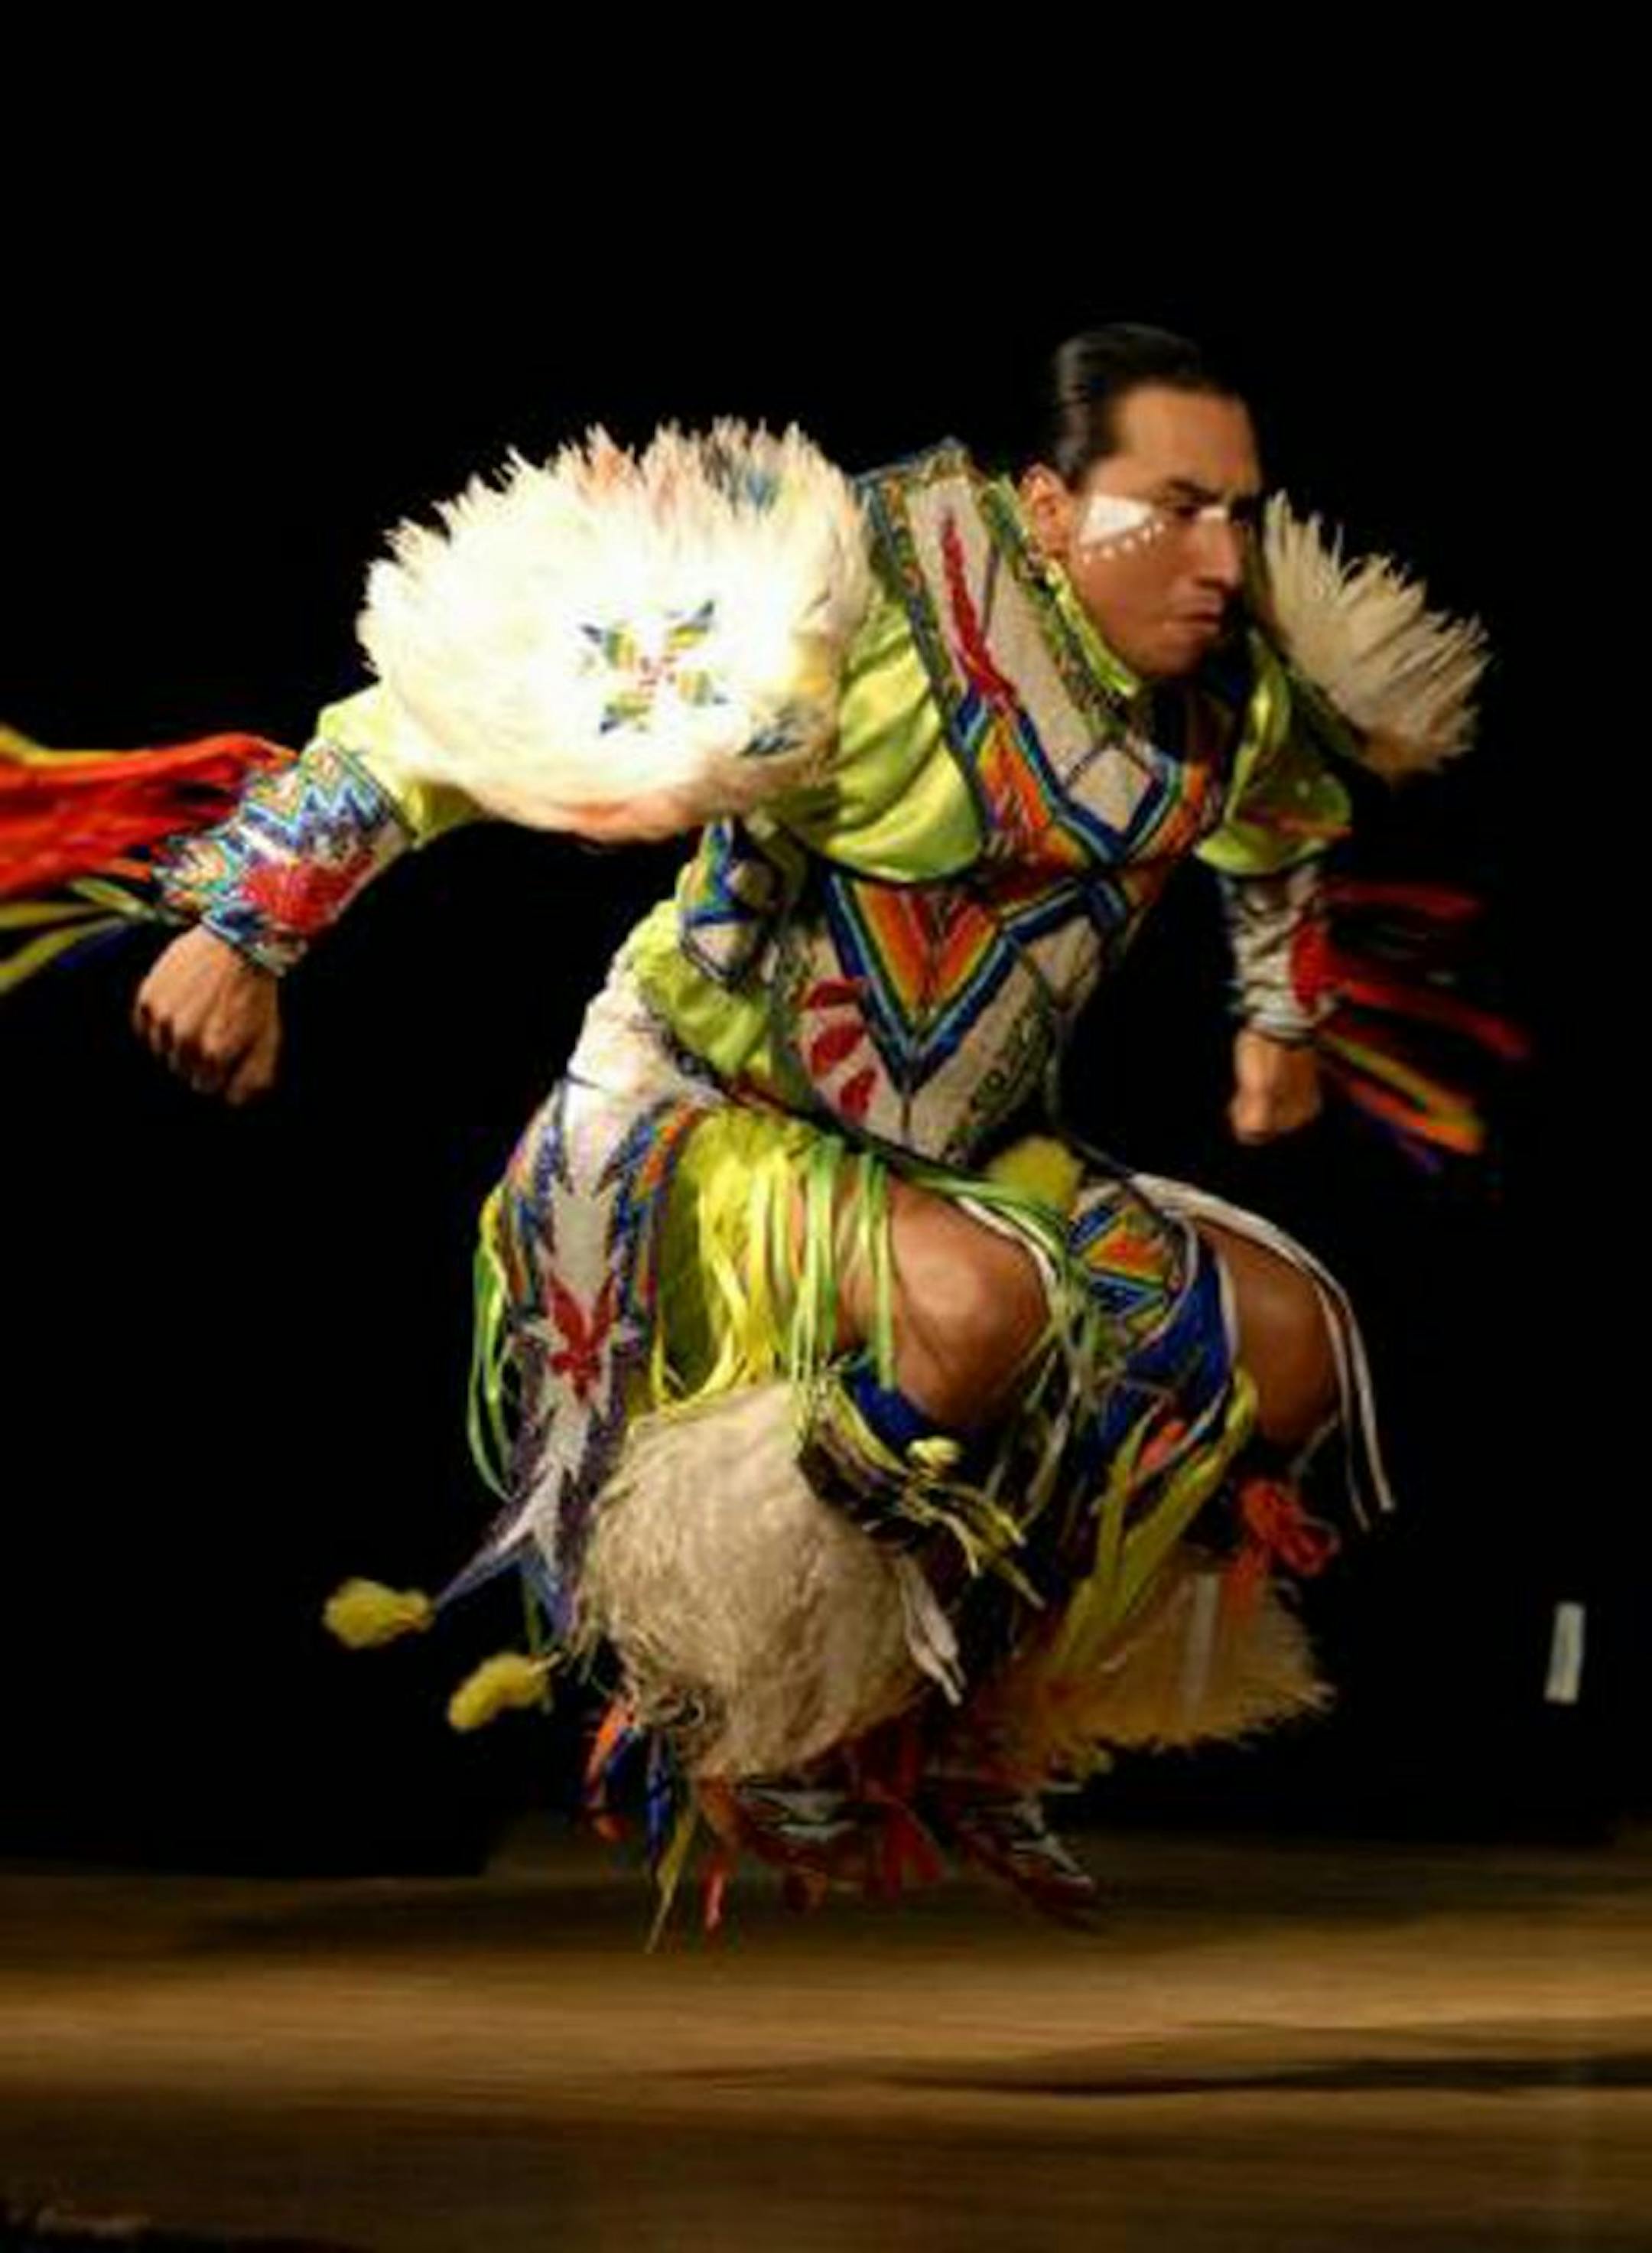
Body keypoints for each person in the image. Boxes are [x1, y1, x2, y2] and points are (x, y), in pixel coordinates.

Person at [6, 326, 1486, 1925]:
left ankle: (965, 1713)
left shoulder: (1232, 701)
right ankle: (758, 1685)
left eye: (1244, 514)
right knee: (978, 1306)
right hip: (696, 1127)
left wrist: (1278, 1018)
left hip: (960, 1161)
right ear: (1052, 509)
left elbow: (1276, 829)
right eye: (1178, 508)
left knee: (1284, 1346)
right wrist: (251, 928)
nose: (1224, 557)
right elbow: (440, 722)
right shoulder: (851, 618)